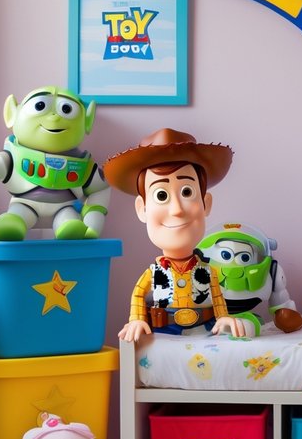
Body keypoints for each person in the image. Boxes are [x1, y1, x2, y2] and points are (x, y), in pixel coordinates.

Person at [103, 128, 252, 342]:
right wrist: (136, 319)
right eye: (161, 195)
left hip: (206, 331)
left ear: (205, 204)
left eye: (187, 192)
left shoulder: (207, 271)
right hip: (166, 333)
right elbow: (138, 294)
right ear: (142, 209)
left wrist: (224, 318)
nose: (176, 210)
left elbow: (217, 297)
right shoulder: (154, 273)